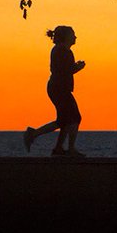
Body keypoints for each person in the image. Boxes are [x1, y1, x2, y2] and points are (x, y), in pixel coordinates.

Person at [23, 25, 86, 158]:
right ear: (66, 37)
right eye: (73, 34)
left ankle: (57, 147)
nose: (75, 37)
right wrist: (78, 67)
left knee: (65, 119)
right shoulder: (64, 51)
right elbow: (66, 70)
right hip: (60, 89)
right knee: (74, 117)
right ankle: (69, 148)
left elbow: (63, 69)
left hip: (57, 88)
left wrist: (74, 67)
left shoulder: (58, 50)